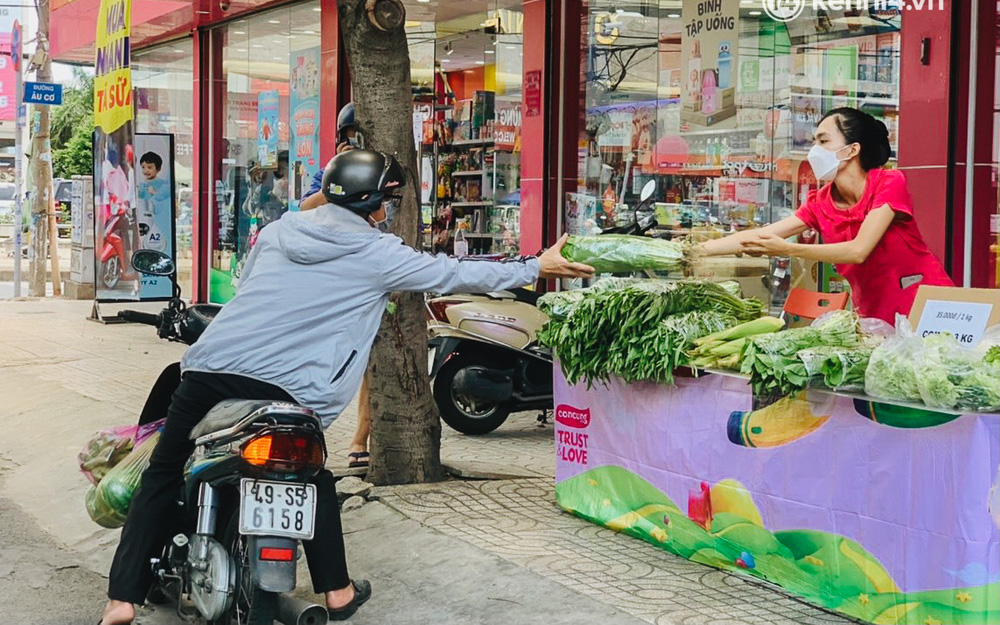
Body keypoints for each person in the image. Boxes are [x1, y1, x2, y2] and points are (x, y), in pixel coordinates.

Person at [98, 149, 595, 625]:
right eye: (387, 200)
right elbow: (454, 272)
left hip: (214, 369)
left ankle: (122, 600)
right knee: (310, 473)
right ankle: (337, 591)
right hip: (295, 390)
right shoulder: (379, 254)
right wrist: (538, 265)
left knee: (162, 472)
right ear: (376, 206)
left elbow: (250, 288)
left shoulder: (278, 231)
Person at [698, 107, 953, 324]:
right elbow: (761, 235)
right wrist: (697, 250)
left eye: (823, 141)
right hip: (874, 316)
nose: (814, 150)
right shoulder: (820, 203)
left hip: (927, 308)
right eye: (814, 141)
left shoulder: (888, 182)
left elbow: (858, 251)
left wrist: (788, 250)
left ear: (852, 150)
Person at [299, 103, 374, 466]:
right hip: (329, 277)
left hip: (368, 274)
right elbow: (304, 209)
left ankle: (360, 438)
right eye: (352, 136)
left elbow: (383, 216)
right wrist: (339, 179)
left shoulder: (383, 171)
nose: (357, 142)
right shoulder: (327, 172)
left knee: (368, 359)